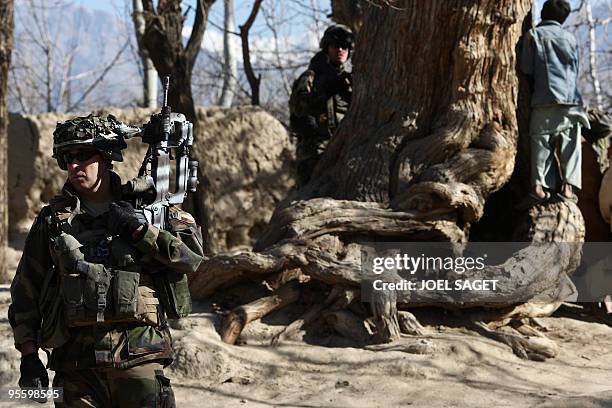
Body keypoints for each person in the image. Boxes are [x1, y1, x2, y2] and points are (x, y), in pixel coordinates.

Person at [8, 114, 204, 407]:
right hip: (75, 369)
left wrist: (140, 231)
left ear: (106, 156)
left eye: (83, 155)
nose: (74, 165)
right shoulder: (53, 220)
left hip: (139, 360)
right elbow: (26, 291)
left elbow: (192, 260)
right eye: (67, 157)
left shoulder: (148, 209)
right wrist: (28, 357)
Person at [520, 0, 590, 207]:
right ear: (564, 18)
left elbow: (526, 68)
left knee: (541, 142)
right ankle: (568, 189)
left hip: (545, 99)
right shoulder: (571, 38)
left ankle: (539, 189)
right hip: (572, 102)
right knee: (571, 143)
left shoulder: (534, 35)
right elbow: (575, 68)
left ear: (542, 13)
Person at [289, 24, 355, 187]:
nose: (340, 50)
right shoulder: (311, 77)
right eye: (335, 46)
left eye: (344, 46)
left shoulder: (350, 80)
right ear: (326, 48)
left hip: (344, 150)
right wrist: (327, 90)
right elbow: (299, 107)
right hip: (313, 154)